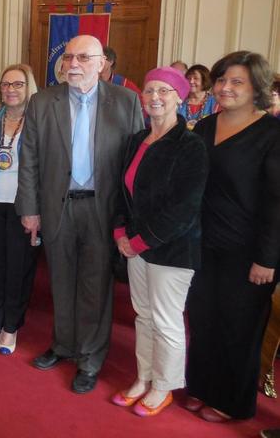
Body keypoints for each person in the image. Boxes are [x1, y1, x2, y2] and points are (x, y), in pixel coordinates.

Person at [16, 34, 143, 393]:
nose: (73, 64)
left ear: (102, 63)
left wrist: (128, 220)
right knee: (61, 280)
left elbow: (136, 164)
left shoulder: (126, 102)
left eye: (84, 58)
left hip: (104, 210)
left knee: (95, 285)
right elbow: (30, 159)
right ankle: (64, 345)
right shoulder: (43, 101)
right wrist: (30, 209)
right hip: (58, 206)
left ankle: (90, 357)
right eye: (69, 57)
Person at [185, 51, 280, 422]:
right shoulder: (207, 126)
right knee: (203, 318)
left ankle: (232, 401)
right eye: (222, 80)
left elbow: (277, 203)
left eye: (236, 81)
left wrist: (267, 258)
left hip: (248, 251)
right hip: (202, 243)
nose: (226, 88)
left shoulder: (272, 134)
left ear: (257, 87)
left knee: (238, 327)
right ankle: (201, 386)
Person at [110, 67, 208, 417]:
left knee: (166, 321)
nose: (155, 97)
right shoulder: (138, 139)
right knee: (144, 316)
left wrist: (140, 241)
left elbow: (185, 208)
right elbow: (124, 190)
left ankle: (163, 386)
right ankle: (144, 377)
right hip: (135, 245)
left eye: (164, 91)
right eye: (150, 90)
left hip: (172, 250)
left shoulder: (191, 145)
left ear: (179, 97)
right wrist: (121, 232)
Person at [0, 64, 39, 355]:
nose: (10, 90)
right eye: (5, 84)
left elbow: (44, 170)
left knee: (18, 269)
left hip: (23, 208)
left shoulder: (38, 122)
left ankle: (11, 327)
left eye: (17, 84)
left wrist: (37, 210)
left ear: (29, 88)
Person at [177, 64, 219, 129]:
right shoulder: (179, 100)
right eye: (189, 78)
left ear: (205, 80)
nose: (191, 81)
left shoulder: (215, 103)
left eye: (195, 78)